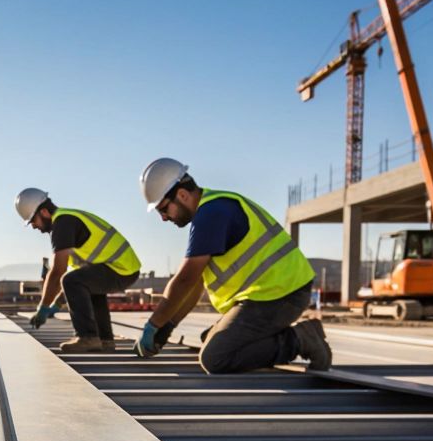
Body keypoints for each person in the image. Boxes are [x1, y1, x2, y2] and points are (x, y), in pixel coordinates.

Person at [133, 157, 331, 372]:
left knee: (215, 357)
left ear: (182, 195)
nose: (163, 218)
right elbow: (195, 285)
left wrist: (153, 325)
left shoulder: (211, 214)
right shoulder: (212, 209)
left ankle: (301, 339)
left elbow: (185, 279)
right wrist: (169, 325)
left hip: (280, 295)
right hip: (269, 295)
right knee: (210, 339)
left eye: (163, 209)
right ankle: (258, 338)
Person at [13, 188, 140, 352]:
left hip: (120, 268)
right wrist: (56, 305)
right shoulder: (67, 221)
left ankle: (87, 337)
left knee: (71, 280)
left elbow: (59, 272)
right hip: (123, 268)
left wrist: (43, 307)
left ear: (44, 212)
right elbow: (77, 281)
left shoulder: (62, 224)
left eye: (33, 221)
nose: (33, 226)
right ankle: (105, 340)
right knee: (88, 286)